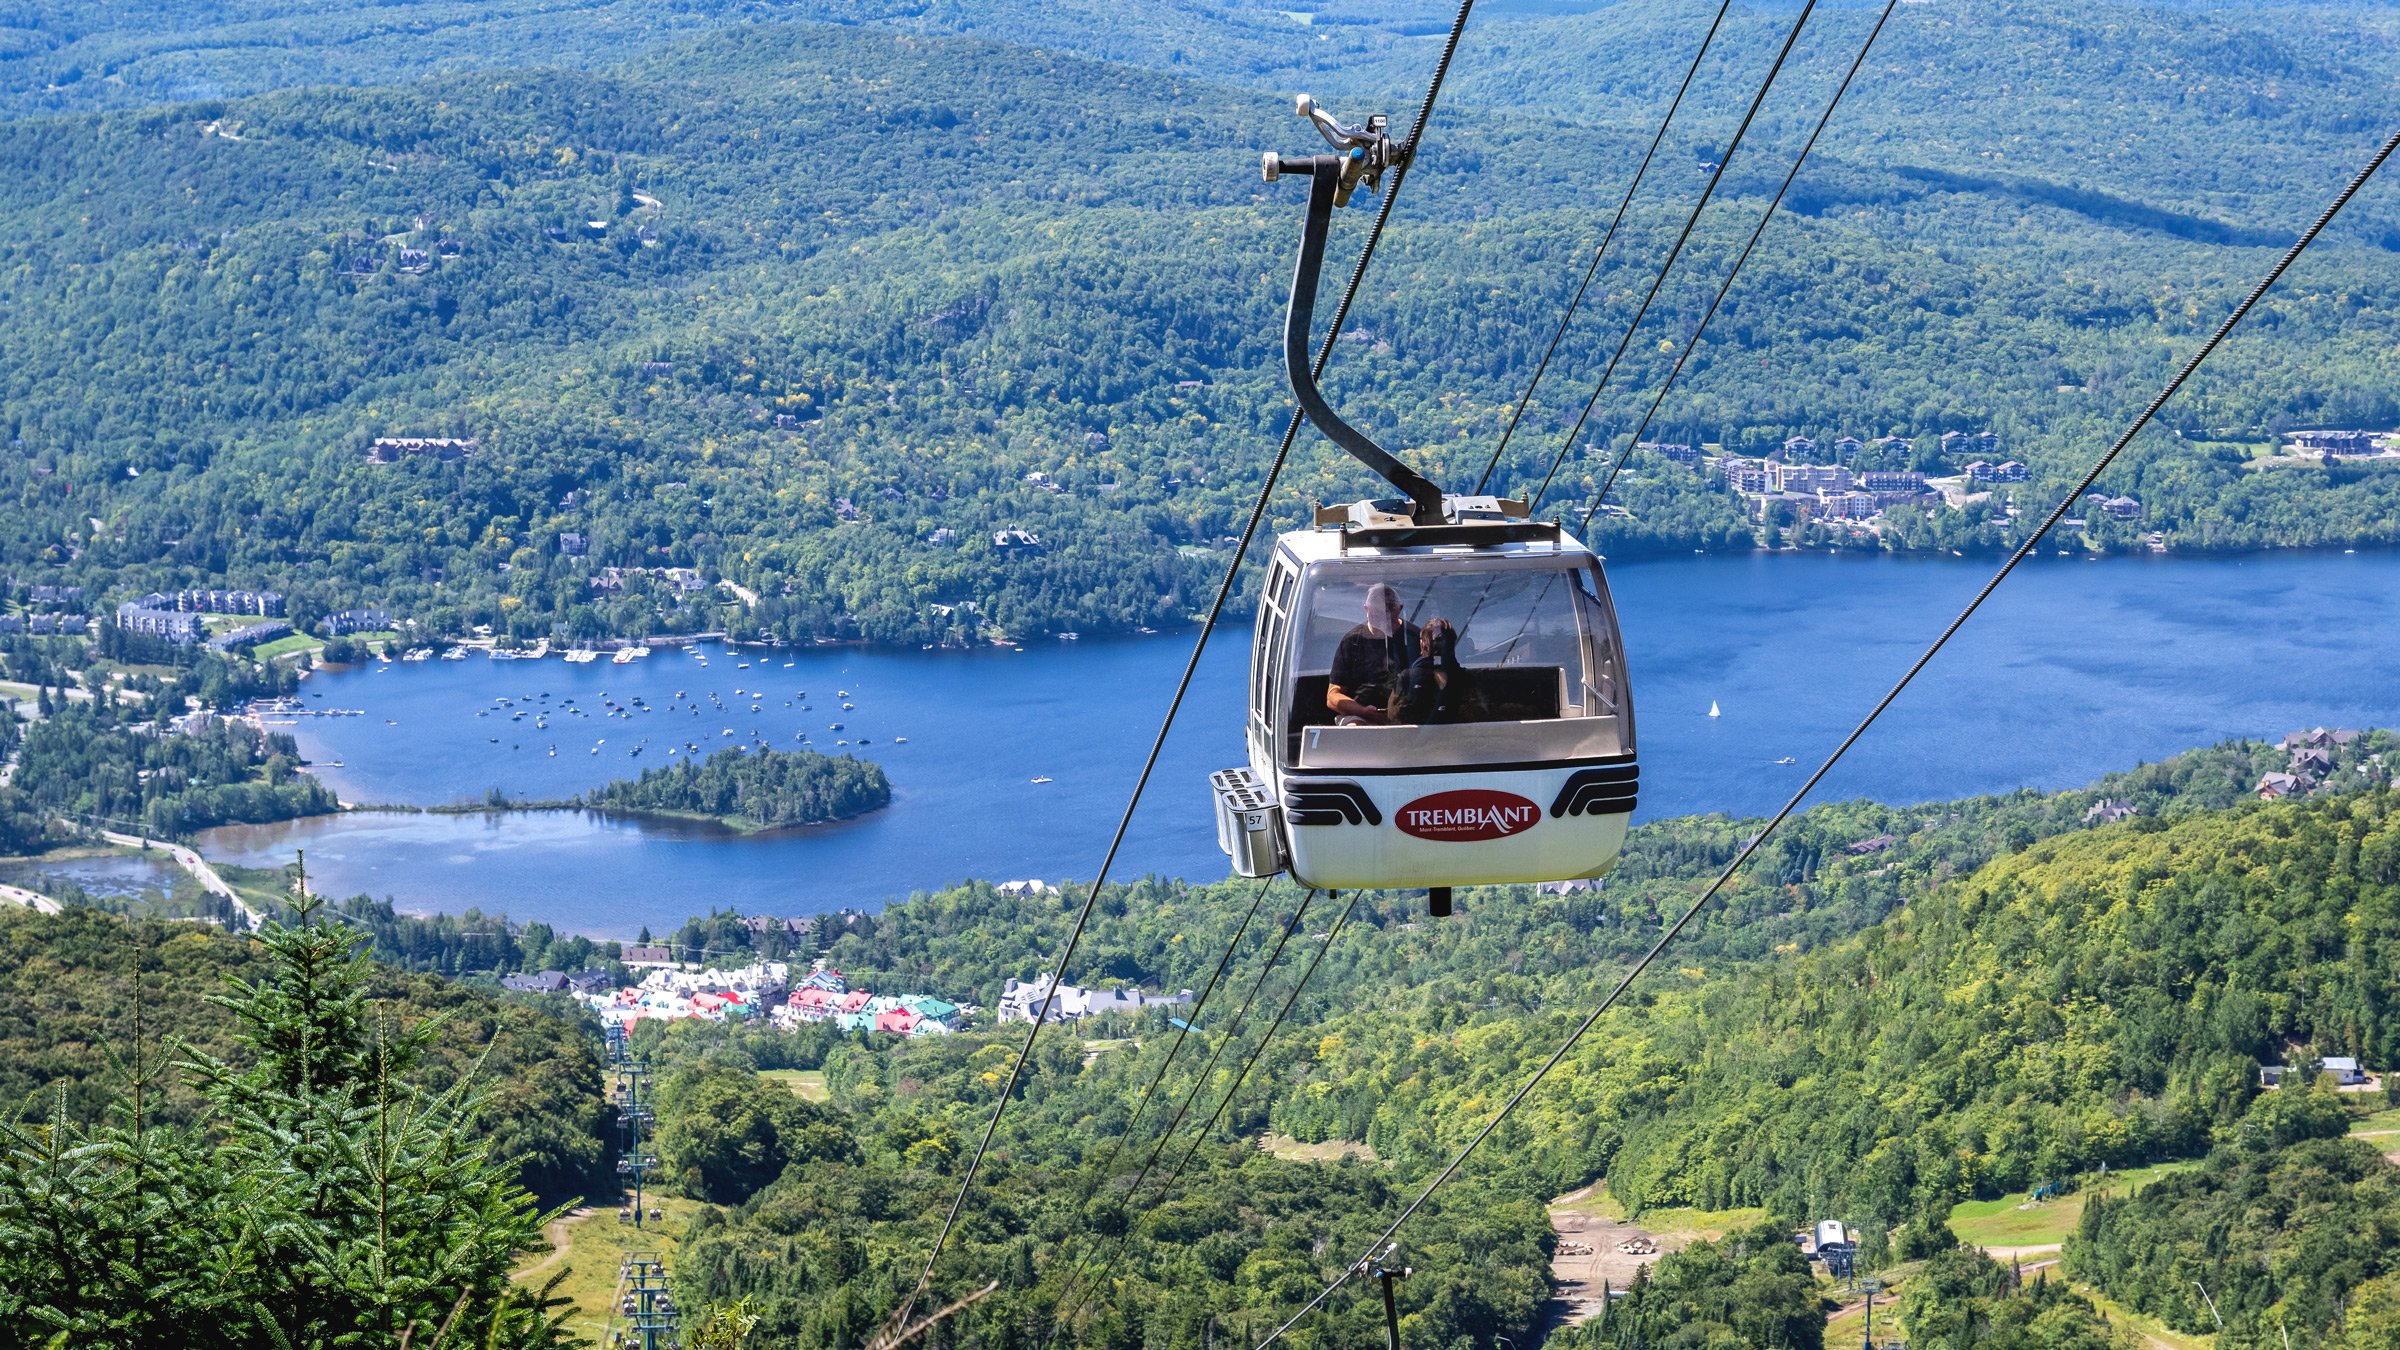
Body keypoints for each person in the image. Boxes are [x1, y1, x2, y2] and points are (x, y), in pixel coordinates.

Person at [1326, 583, 1416, 725]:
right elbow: (1332, 696)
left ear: (1400, 609)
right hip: (1361, 716)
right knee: (1356, 731)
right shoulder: (1352, 641)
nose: (1384, 619)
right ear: (1366, 609)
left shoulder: (1416, 638)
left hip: (1409, 716)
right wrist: (1363, 711)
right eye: (1378, 613)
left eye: (1389, 613)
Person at [1391, 617, 1478, 725]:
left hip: (1417, 740)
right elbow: (1475, 715)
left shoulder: (1407, 678)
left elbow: (1394, 716)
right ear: (1452, 645)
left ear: (1422, 644)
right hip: (1457, 739)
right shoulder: (1466, 679)